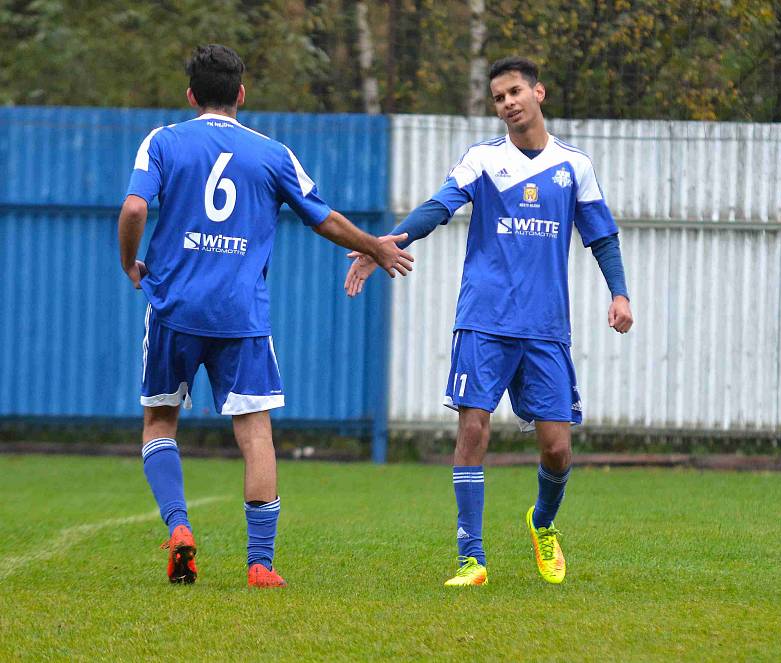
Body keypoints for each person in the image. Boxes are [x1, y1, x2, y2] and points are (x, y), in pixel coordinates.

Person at [118, 44, 413, 588]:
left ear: (190, 95)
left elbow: (136, 207)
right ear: (242, 94)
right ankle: (260, 564)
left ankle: (179, 527)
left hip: (173, 308)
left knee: (160, 421)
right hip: (240, 316)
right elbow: (321, 217)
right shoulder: (274, 153)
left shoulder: (162, 141)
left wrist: (130, 265)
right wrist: (374, 245)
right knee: (255, 435)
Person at [344, 56, 633, 586]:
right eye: (499, 97)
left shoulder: (575, 166)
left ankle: (543, 523)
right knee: (473, 428)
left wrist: (620, 294)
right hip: (484, 318)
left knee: (557, 448)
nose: (508, 103)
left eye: (515, 91)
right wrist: (385, 243)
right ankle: (471, 558)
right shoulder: (482, 160)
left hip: (545, 327)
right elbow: (438, 207)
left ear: (538, 93)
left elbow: (602, 236)